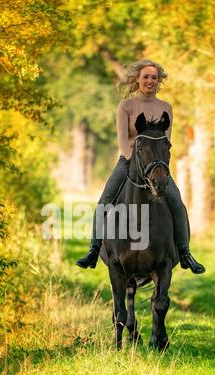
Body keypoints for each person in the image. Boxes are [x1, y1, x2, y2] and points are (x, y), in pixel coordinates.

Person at [76, 59, 205, 274]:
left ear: (158, 81)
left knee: (176, 201)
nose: (150, 81)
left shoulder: (165, 108)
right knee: (105, 200)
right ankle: (93, 250)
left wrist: (160, 166)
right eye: (146, 77)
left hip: (157, 165)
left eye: (154, 77)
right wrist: (133, 164)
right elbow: (122, 140)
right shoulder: (126, 106)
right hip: (129, 162)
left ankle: (185, 253)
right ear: (138, 79)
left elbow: (166, 142)